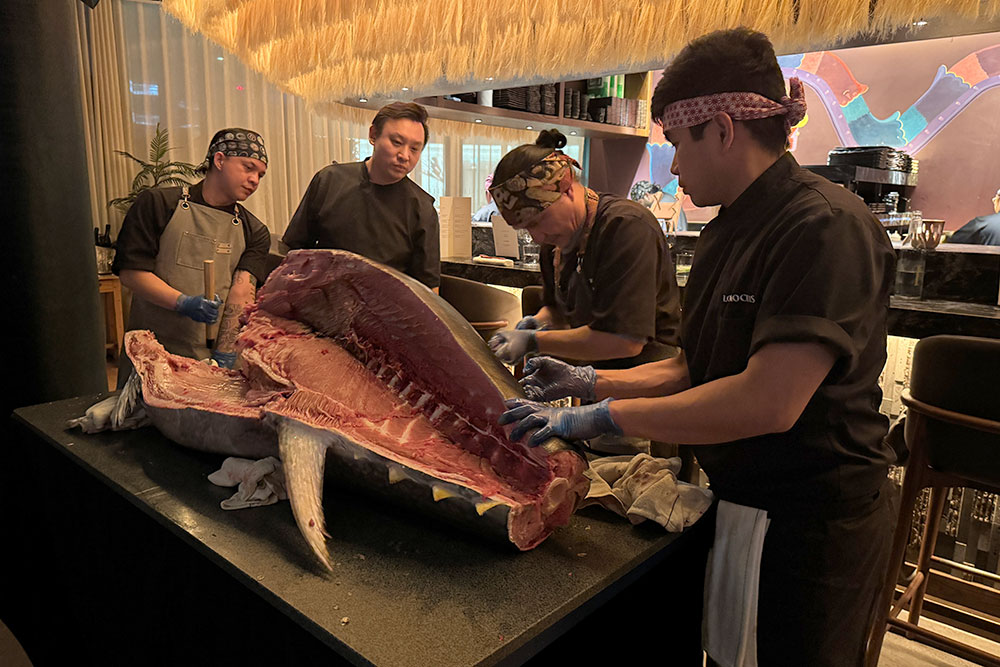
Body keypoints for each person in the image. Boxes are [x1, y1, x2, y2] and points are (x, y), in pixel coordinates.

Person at [500, 28, 897, 666]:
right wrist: (589, 383)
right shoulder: (724, 232)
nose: (675, 166)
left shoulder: (823, 227)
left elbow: (768, 401)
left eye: (679, 144)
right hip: (737, 498)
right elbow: (692, 366)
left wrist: (604, 416)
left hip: (812, 521)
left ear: (721, 127)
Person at [486, 130, 681, 373]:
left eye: (536, 221)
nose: (536, 238)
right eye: (524, 228)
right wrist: (536, 323)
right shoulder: (553, 244)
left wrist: (534, 341)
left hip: (648, 379)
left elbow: (624, 341)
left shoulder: (626, 226)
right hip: (597, 376)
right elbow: (559, 311)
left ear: (567, 188)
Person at [113, 128, 271, 385]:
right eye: (248, 168)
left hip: (205, 359)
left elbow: (241, 292)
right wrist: (182, 303)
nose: (255, 180)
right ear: (219, 160)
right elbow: (131, 273)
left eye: (260, 175)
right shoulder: (158, 204)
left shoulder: (254, 230)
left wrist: (225, 356)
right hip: (150, 352)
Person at [282, 102, 440, 290]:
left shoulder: (422, 208)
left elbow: (428, 288)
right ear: (373, 135)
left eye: (414, 149)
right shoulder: (330, 180)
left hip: (384, 309)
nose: (405, 155)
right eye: (397, 142)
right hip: (319, 298)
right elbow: (295, 251)